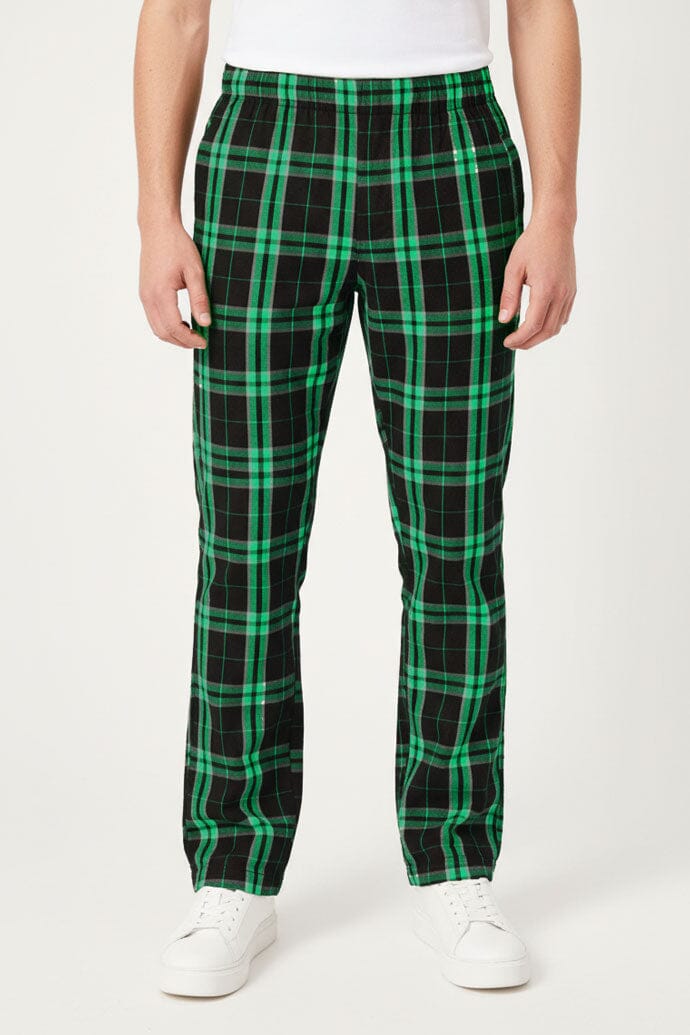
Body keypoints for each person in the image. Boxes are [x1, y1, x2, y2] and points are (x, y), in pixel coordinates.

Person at [134, 0, 580, 997]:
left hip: (449, 137)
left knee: (454, 538)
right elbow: (175, 15)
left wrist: (556, 209)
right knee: (248, 541)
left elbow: (541, 6)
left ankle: (454, 861)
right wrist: (157, 215)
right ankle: (233, 872)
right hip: (268, 137)